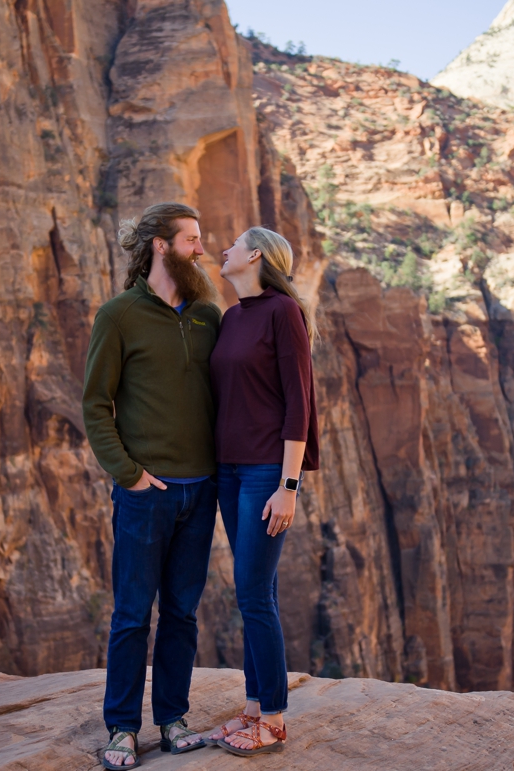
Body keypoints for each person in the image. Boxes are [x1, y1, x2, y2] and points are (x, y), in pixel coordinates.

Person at [84, 202, 223, 769]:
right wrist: (131, 476)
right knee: (133, 615)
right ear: (161, 245)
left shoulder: (209, 316)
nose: (201, 248)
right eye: (191, 238)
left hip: (203, 490)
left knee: (183, 614)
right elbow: (95, 405)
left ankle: (171, 718)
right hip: (148, 494)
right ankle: (121, 728)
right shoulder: (118, 315)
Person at [201, 227, 320, 755]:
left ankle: (272, 718)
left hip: (266, 473)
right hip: (229, 471)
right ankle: (252, 707)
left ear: (254, 256)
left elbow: (300, 403)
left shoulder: (282, 312)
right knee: (255, 591)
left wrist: (288, 485)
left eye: (232, 244)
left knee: (252, 592)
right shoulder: (232, 318)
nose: (222, 251)